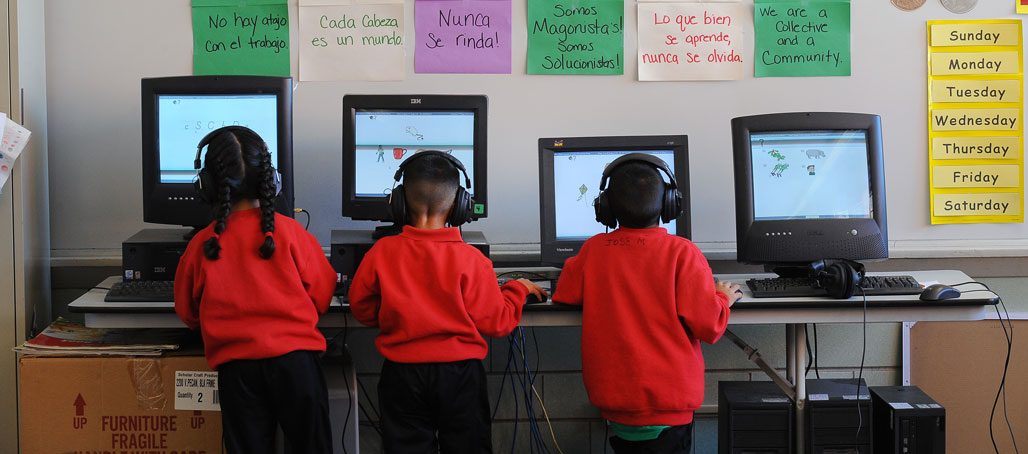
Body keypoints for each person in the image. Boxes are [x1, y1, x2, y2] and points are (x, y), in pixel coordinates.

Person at [348, 150, 547, 453]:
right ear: (460, 204)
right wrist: (516, 289)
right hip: (460, 377)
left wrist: (399, 311)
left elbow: (361, 309)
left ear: (398, 201)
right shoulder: (472, 259)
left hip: (401, 375)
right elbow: (497, 323)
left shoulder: (381, 253)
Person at [553, 155, 741, 453]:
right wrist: (723, 297)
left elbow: (565, 294)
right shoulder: (683, 253)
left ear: (605, 208)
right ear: (669, 204)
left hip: (617, 407)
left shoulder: (593, 251)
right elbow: (710, 327)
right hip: (670, 407)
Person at [174, 126, 337, 454]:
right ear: (271, 180)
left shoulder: (202, 245)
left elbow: (188, 313)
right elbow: (322, 292)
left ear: (206, 186)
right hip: (297, 365)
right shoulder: (290, 233)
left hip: (238, 372)